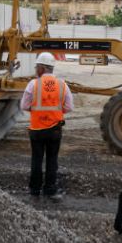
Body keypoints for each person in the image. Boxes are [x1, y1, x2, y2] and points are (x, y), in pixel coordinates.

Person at [20, 52, 73, 200]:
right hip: (55, 129)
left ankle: (35, 190)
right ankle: (50, 189)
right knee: (52, 159)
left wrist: (36, 110)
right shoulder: (62, 85)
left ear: (42, 68)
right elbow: (69, 107)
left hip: (37, 129)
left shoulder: (33, 84)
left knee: (36, 159)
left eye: (37, 67)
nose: (36, 70)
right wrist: (55, 111)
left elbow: (24, 105)